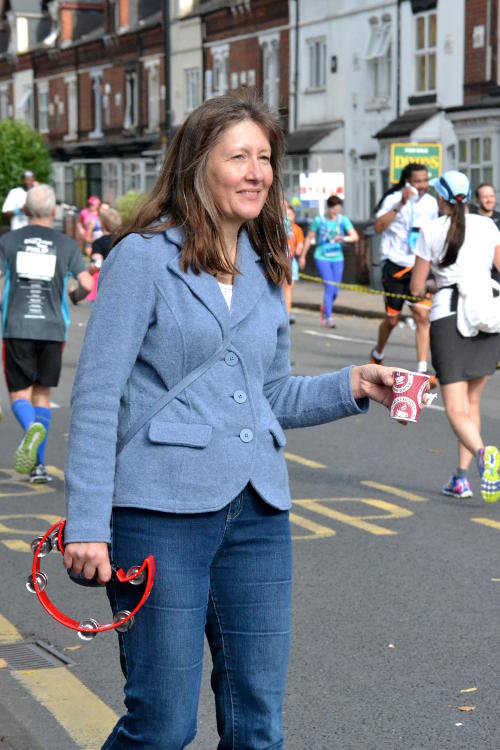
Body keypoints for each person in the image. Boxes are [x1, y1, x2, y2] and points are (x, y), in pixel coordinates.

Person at [62, 93, 402, 750]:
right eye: (238, 156)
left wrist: (354, 383)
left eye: (265, 158)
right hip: (158, 514)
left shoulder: (264, 266)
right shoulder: (141, 258)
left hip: (257, 516)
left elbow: (268, 395)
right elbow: (100, 396)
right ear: (198, 166)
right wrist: (87, 525)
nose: (256, 172)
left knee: (258, 726)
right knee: (162, 725)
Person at [411, 170, 500, 502]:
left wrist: (436, 283)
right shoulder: (487, 225)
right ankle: (460, 478)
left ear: (442, 197)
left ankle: (483, 454)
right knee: (472, 403)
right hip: (488, 317)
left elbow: (417, 287)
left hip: (449, 318)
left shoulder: (432, 230)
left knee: (454, 408)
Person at [0, 185, 92, 483]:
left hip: (17, 326)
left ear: (25, 211)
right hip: (53, 329)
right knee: (42, 395)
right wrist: (76, 296)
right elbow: (88, 284)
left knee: (19, 395)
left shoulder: (9, 241)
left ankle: (30, 429)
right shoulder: (66, 245)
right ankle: (39, 467)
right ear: (53, 212)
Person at [370, 163, 439, 385]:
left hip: (420, 265)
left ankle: (422, 368)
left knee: (422, 315)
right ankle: (378, 353)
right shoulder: (393, 199)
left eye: (426, 180)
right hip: (395, 265)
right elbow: (378, 227)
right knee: (392, 320)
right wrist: (401, 204)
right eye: (418, 181)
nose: (423, 186)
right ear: (408, 182)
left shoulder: (431, 203)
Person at [299, 194, 358, 328]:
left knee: (335, 291)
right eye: (333, 210)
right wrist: (303, 256)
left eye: (337, 210)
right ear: (328, 208)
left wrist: (344, 239)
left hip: (337, 258)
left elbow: (355, 236)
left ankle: (325, 307)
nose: (335, 213)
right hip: (322, 257)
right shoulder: (319, 221)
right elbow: (309, 238)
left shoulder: (343, 220)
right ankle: (328, 318)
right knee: (329, 287)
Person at [86, 207, 122, 302]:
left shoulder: (99, 242)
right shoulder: (123, 240)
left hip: (105, 283)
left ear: (103, 224)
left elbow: (96, 264)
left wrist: (89, 271)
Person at [284, 203, 303, 324]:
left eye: (290, 214)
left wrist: (299, 249)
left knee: (289, 286)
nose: (287, 216)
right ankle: (285, 312)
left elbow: (300, 242)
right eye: (285, 214)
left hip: (291, 260)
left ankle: (287, 312)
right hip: (281, 259)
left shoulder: (297, 229)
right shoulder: (277, 226)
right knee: (284, 286)